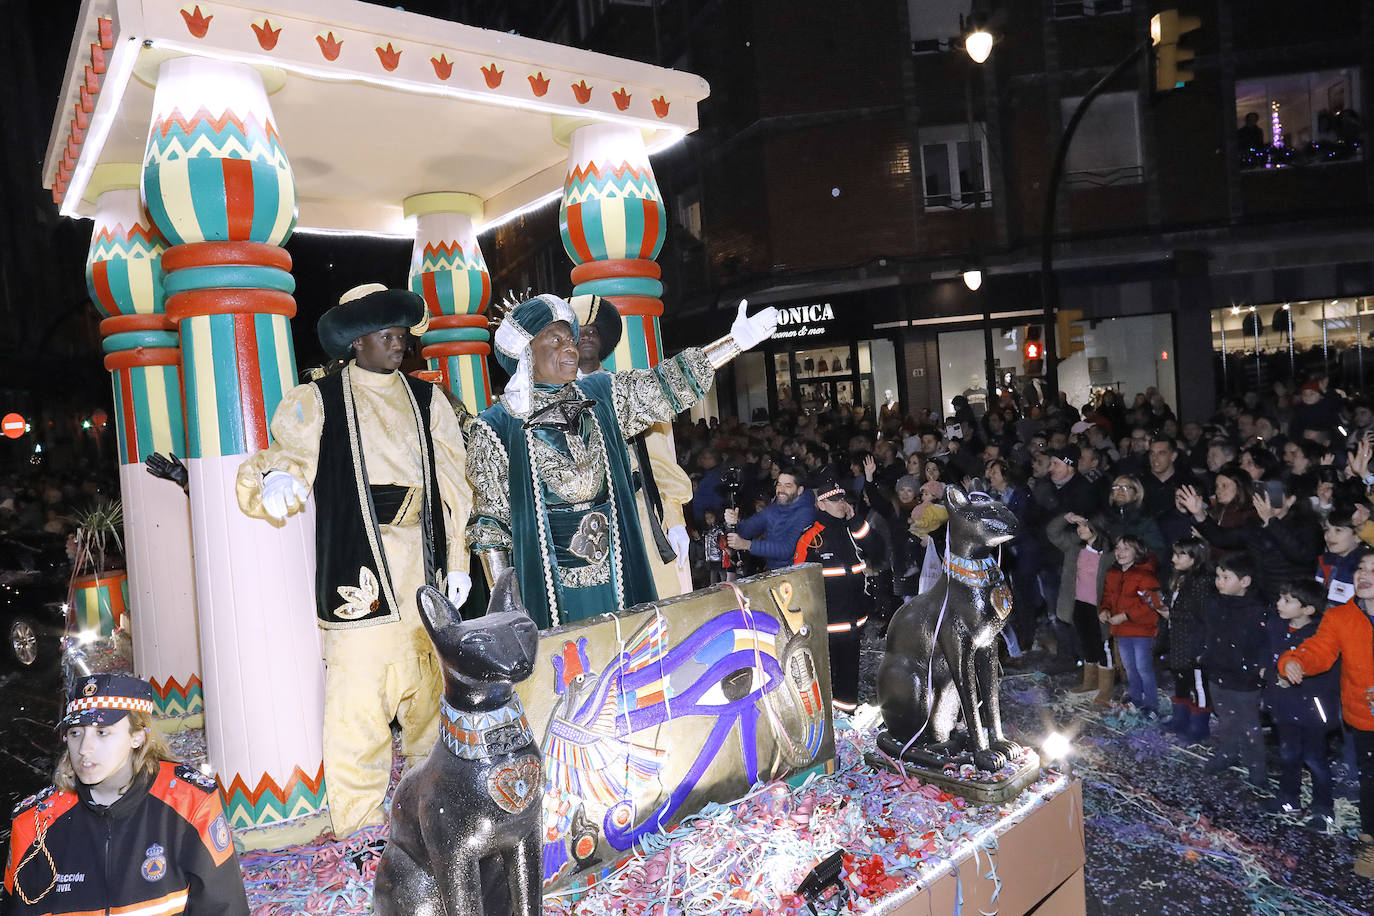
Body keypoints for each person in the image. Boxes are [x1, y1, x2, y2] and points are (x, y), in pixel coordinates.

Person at [236, 283, 472, 837]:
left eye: (402, 334)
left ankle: (436, 816)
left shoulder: (429, 399)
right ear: (357, 341)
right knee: (357, 712)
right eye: (387, 335)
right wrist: (274, 481)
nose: (399, 344)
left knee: (434, 702)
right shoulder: (315, 399)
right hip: (358, 577)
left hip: (425, 570)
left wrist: (458, 560)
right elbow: (288, 458)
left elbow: (456, 484)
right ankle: (360, 826)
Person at [466, 296, 777, 628]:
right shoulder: (496, 427)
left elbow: (663, 385)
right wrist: (508, 610)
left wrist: (733, 344)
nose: (570, 347)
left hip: (616, 567)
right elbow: (490, 526)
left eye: (570, 339)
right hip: (545, 583)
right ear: (526, 350)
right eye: (556, 339)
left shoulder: (602, 395)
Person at [4, 674, 250, 915]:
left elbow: (224, 907)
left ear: (137, 736)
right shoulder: (35, 823)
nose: (84, 749)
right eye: (76, 732)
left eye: (102, 732)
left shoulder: (189, 803)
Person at [572, 294, 694, 597]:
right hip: (580, 522)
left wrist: (676, 520)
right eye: (579, 331)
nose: (587, 336)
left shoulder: (628, 390)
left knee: (654, 602)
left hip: (637, 513)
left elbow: (660, 462)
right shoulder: (553, 400)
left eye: (594, 331)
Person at [1280, 552, 1374, 877]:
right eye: (1362, 568)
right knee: (1371, 780)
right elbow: (1319, 649)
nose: (1364, 575)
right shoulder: (1341, 617)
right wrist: (1296, 660)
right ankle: (1370, 841)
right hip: (1365, 716)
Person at [792, 468, 881, 713]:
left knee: (849, 677)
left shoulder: (853, 528)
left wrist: (855, 521)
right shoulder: (810, 537)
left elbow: (878, 551)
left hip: (854, 620)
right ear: (820, 504)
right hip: (827, 625)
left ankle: (847, 717)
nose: (840, 504)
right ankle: (827, 720)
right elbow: (799, 582)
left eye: (842, 499)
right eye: (833, 500)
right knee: (825, 677)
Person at [1263, 579, 1337, 830]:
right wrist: (1274, 678)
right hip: (1284, 706)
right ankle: (1288, 798)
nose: (1279, 604)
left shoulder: (1320, 637)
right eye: (1280, 598)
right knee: (1288, 754)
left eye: (1287, 600)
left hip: (1311, 710)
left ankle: (1323, 808)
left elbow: (1326, 674)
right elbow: (1268, 662)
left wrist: (1298, 681)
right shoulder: (1276, 627)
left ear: (1307, 609)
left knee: (1315, 759)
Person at [1201, 554, 1270, 793]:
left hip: (1244, 677)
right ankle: (1227, 753)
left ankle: (1257, 769)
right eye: (1218, 576)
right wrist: (1204, 654)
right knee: (1225, 718)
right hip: (1218, 671)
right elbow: (1207, 632)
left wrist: (1256, 668)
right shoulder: (1213, 603)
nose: (1219, 581)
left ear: (1245, 581)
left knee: (1249, 724)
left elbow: (1263, 643)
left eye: (1226, 577)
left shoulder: (1256, 610)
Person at [1047, 512, 1112, 701]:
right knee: (1087, 643)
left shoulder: (1109, 554)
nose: (1080, 529)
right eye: (1079, 526)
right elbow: (1052, 532)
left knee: (1103, 645)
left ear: (1096, 528)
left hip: (1099, 607)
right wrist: (1067, 518)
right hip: (1079, 604)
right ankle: (1090, 682)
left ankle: (1106, 688)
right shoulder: (1075, 548)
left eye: (1085, 526)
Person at [1098, 535, 1162, 718]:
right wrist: (1105, 610)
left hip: (1141, 629)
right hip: (1121, 629)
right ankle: (1135, 697)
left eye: (1126, 549)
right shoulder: (1113, 574)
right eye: (1117, 548)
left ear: (1138, 551)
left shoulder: (1145, 576)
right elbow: (1108, 597)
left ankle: (1151, 704)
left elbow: (1151, 602)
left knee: (1143, 667)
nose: (1120, 552)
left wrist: (1126, 615)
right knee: (1129, 667)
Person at [1158, 537, 1214, 740]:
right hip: (1179, 640)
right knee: (1180, 680)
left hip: (1195, 642)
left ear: (1194, 558)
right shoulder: (1180, 578)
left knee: (1199, 685)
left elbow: (1202, 614)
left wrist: (1171, 614)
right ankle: (1180, 719)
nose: (1173, 559)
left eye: (1180, 554)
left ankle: (1199, 728)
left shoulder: (1203, 582)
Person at [725, 465, 817, 571]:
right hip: (774, 570)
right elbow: (747, 530)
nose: (781, 490)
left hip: (798, 571)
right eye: (779, 484)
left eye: (787, 486)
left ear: (799, 490)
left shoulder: (806, 513)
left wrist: (747, 545)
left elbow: (787, 550)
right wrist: (733, 523)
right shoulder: (774, 508)